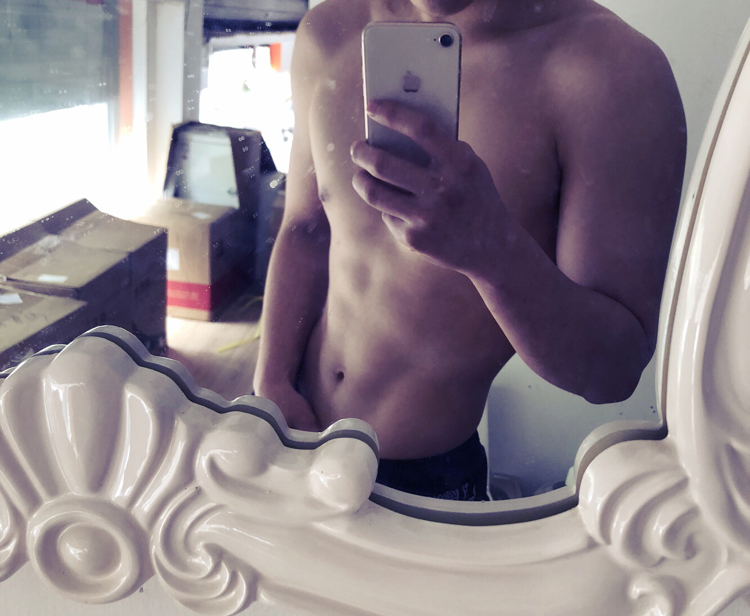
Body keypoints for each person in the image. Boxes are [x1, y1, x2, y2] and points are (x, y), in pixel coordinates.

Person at [253, 0, 687, 501]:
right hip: (291, 427)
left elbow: (615, 370)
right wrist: (272, 380)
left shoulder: (612, 72)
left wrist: (492, 250)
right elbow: (306, 229)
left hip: (424, 483)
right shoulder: (329, 31)